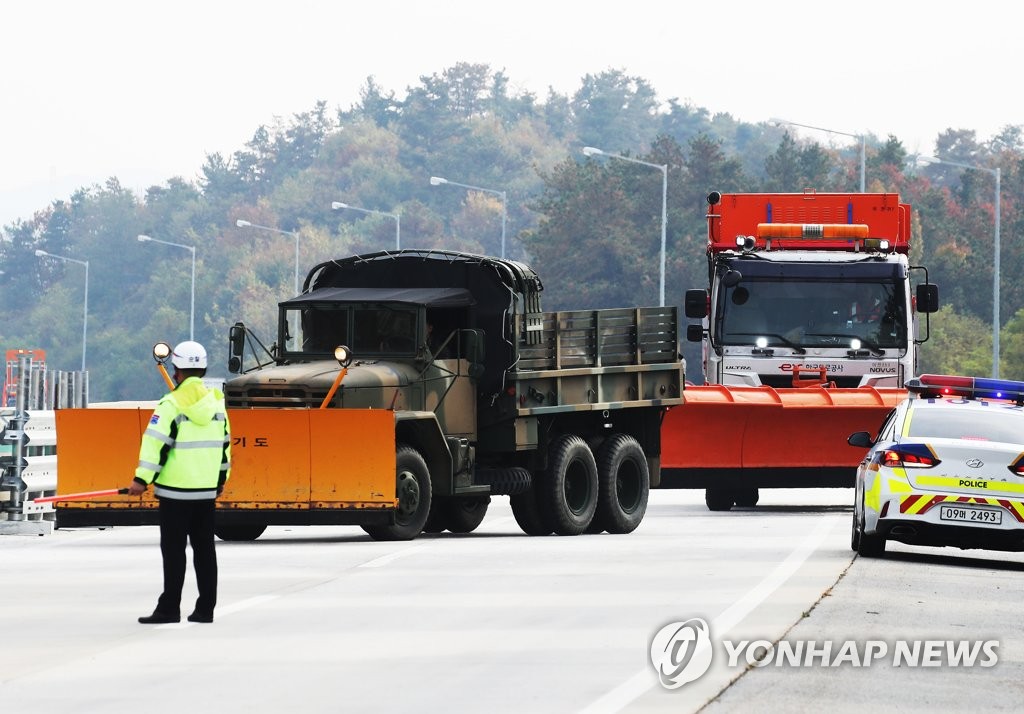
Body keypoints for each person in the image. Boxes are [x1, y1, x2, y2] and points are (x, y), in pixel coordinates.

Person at [128, 340, 231, 624]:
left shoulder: (171, 404)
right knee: (205, 551)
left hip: (175, 492)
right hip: (205, 492)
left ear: (178, 371)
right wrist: (220, 480)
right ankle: (205, 609)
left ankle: (169, 608)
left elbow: (155, 445)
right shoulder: (217, 405)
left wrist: (140, 479)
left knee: (174, 553)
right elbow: (225, 447)